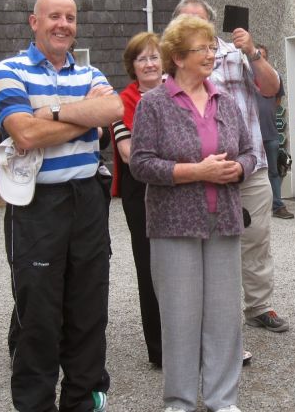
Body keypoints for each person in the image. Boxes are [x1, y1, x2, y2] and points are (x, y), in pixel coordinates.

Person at [0, 0, 123, 412]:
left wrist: (48, 113)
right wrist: (84, 116)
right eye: (54, 16)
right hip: (36, 204)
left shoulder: (90, 71)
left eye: (70, 17)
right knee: (39, 314)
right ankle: (35, 404)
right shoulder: (9, 70)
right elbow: (24, 134)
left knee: (88, 309)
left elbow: (114, 109)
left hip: (87, 199)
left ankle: (82, 401)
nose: (63, 24)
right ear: (34, 22)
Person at [130, 14, 255, 412]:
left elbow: (250, 152)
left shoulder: (226, 101)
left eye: (212, 47)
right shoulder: (154, 104)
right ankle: (180, 401)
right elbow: (141, 164)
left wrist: (239, 169)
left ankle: (222, 399)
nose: (211, 55)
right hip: (174, 225)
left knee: (224, 317)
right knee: (180, 318)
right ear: (178, 57)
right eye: (202, 48)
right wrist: (197, 172)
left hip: (224, 221)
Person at [173, 0, 289, 333]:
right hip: (199, 170)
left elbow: (272, 88)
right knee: (203, 243)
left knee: (256, 238)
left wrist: (252, 51)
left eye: (200, 20)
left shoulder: (237, 53)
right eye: (186, 20)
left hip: (248, 164)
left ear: (212, 25)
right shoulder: (172, 61)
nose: (194, 26)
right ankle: (207, 314)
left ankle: (258, 306)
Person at [111, 32, 164, 368]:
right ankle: (160, 349)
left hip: (181, 186)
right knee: (150, 267)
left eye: (154, 57)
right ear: (132, 65)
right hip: (141, 191)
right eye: (141, 58)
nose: (149, 64)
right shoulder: (124, 101)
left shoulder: (180, 92)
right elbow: (129, 154)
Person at [254, 45, 293, 219]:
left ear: (266, 58)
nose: (259, 59)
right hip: (251, 136)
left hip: (270, 132)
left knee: (274, 171)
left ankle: (277, 206)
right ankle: (256, 208)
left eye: (262, 56)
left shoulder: (274, 77)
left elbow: (277, 101)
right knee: (252, 173)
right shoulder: (246, 76)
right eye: (256, 55)